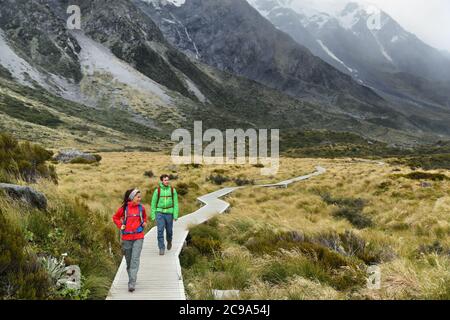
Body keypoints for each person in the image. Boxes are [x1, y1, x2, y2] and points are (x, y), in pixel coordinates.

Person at [112, 188, 147, 292]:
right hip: (126, 238)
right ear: (132, 197)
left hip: (138, 237)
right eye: (138, 197)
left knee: (135, 260)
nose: (140, 199)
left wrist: (144, 223)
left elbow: (144, 218)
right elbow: (115, 217)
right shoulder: (124, 209)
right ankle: (132, 277)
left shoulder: (141, 208)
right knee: (129, 261)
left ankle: (131, 282)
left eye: (140, 197)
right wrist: (120, 225)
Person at [151, 174, 179, 256]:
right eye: (165, 180)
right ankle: (161, 248)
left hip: (169, 213)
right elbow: (153, 204)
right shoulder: (157, 191)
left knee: (169, 231)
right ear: (162, 181)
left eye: (167, 180)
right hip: (159, 213)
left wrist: (175, 215)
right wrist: (153, 215)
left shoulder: (173, 190)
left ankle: (169, 241)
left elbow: (176, 203)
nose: (167, 181)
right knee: (160, 231)